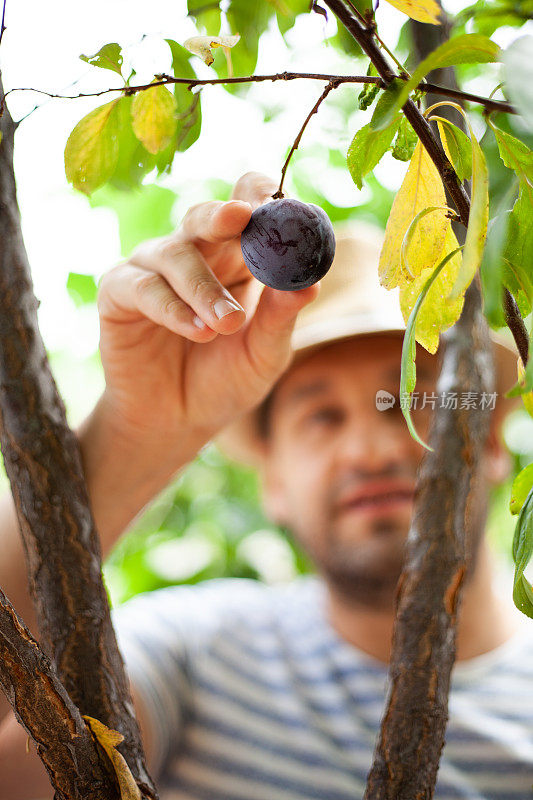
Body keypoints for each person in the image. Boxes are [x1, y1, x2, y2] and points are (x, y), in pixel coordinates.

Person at [0, 171, 531, 800]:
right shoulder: (195, 655)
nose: (367, 450)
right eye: (321, 417)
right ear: (273, 481)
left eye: (404, 401)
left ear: (490, 440)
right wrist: (136, 435)